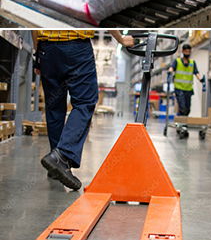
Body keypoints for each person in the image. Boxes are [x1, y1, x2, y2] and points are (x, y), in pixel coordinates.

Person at [32, 30, 134, 191]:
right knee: (85, 101)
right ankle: (62, 156)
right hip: (76, 48)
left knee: (54, 107)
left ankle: (55, 164)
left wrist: (37, 51)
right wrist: (121, 39)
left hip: (47, 49)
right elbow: (101, 12)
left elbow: (33, 26)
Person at [168, 44, 204, 116]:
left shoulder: (192, 63)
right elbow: (172, 68)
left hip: (188, 89)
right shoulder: (177, 61)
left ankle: (182, 120)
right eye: (186, 51)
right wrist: (170, 71)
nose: (187, 53)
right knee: (182, 107)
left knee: (187, 108)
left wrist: (200, 79)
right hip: (179, 88)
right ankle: (182, 122)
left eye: (189, 52)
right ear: (182, 51)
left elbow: (196, 72)